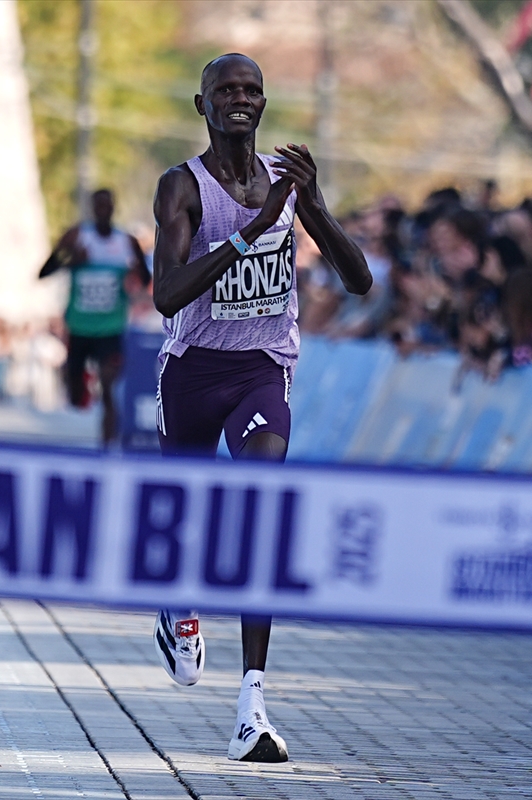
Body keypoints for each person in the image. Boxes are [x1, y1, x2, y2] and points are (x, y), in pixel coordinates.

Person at [149, 53, 371, 763]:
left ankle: (252, 705)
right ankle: (177, 603)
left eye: (251, 90)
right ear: (202, 104)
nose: (239, 100)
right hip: (193, 370)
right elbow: (167, 294)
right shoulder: (183, 187)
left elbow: (360, 281)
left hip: (261, 370)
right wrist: (251, 231)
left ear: (264, 102)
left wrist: (315, 206)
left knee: (260, 505)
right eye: (226, 91)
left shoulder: (286, 179)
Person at [39, 188, 150, 447]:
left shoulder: (126, 242)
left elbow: (146, 279)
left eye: (107, 206)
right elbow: (44, 272)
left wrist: (135, 271)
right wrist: (71, 261)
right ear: (92, 208)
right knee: (75, 396)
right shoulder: (78, 237)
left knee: (110, 389)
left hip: (111, 329)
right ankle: (80, 387)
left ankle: (106, 447)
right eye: (98, 206)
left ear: (113, 208)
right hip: (79, 328)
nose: (103, 211)